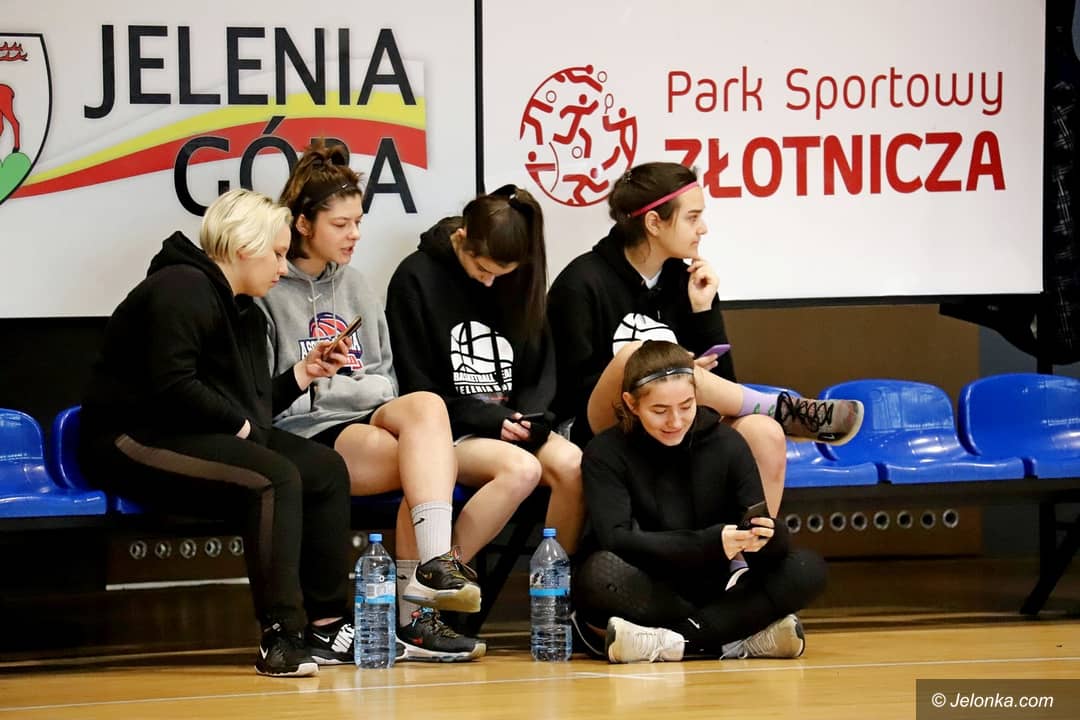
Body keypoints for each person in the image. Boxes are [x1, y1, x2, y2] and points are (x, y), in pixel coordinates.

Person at [79, 189, 354, 677]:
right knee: (274, 477)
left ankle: (328, 625)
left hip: (194, 434)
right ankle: (281, 637)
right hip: (130, 440)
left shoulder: (244, 309)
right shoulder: (180, 287)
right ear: (244, 247)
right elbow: (172, 385)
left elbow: (250, 407)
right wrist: (239, 425)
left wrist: (302, 375)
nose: (283, 267)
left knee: (325, 468)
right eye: (276, 254)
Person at [259, 141, 504, 662]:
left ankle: (434, 564)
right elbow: (276, 397)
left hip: (367, 415)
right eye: (341, 224)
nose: (355, 234)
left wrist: (345, 385)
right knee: (425, 466)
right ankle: (415, 621)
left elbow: (386, 382)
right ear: (303, 224)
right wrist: (333, 382)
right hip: (308, 432)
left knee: (427, 407)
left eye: (358, 222)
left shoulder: (357, 285)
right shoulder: (269, 287)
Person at [547, 161, 864, 517]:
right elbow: (574, 392)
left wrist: (703, 311)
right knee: (640, 357)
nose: (704, 228)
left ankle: (753, 547)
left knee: (765, 432)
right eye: (693, 217)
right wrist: (667, 376)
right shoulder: (581, 283)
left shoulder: (686, 281)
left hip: (679, 421)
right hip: (604, 424)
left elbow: (726, 386)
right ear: (654, 223)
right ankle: (782, 408)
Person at [575, 340, 827, 663]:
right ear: (632, 404)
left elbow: (766, 548)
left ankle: (674, 642)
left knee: (807, 569)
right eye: (660, 411)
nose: (675, 421)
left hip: (717, 586)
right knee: (597, 575)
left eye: (686, 406)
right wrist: (709, 544)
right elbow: (617, 539)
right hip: (651, 583)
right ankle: (733, 638)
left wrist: (769, 537)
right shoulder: (605, 452)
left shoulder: (728, 443)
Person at [385, 184, 585, 556]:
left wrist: (533, 418)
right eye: (482, 269)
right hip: (450, 430)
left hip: (511, 423)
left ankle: (554, 584)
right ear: (462, 238)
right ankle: (441, 573)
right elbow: (417, 388)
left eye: (502, 274)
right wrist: (489, 418)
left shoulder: (520, 276)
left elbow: (540, 368)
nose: (490, 281)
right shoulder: (416, 277)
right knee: (521, 469)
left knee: (572, 464)